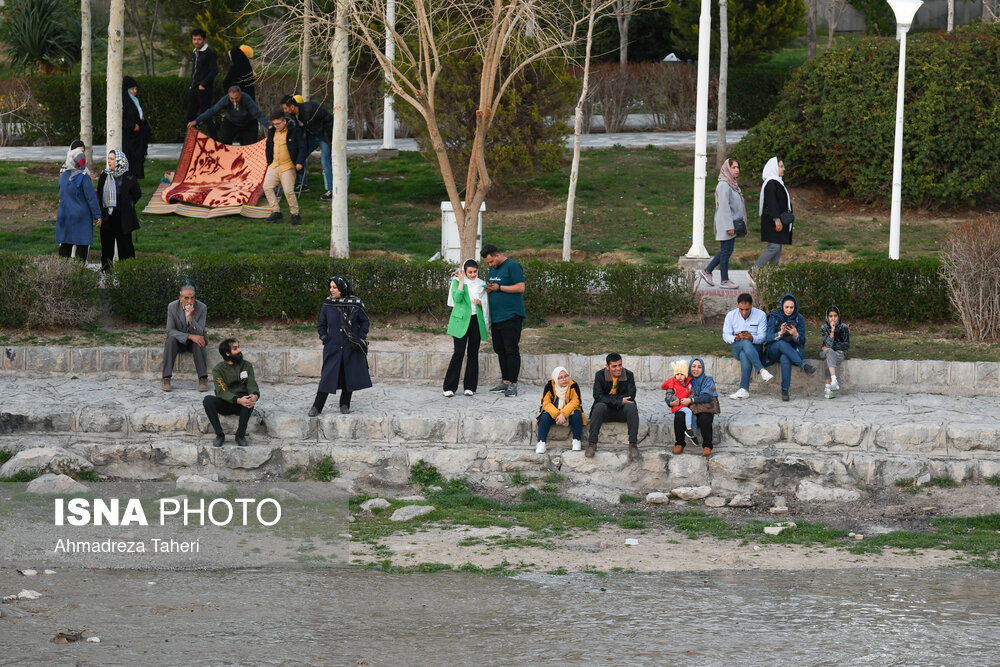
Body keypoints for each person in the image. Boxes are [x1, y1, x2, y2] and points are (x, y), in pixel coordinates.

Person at [309, 276, 372, 416]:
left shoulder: (356, 304)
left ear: (342, 288)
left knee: (348, 374)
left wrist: (360, 337)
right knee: (327, 376)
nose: (331, 290)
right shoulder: (328, 304)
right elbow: (321, 324)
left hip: (351, 347)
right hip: (333, 347)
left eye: (334, 287)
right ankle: (317, 407)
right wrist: (325, 338)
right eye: (330, 287)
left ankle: (345, 404)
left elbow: (365, 322)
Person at [481, 244, 525, 397]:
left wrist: (499, 288)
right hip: (497, 317)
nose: (490, 265)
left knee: (511, 349)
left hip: (512, 315)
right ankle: (505, 382)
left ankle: (513, 383)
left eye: (491, 261)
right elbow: (495, 286)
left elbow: (520, 287)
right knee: (499, 349)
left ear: (497, 255)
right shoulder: (493, 268)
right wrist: (489, 288)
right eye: (488, 263)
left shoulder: (513, 266)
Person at [443, 259, 489, 397]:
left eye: (475, 271)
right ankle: (449, 387)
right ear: (464, 271)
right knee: (458, 353)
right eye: (470, 272)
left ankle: (470, 387)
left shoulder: (481, 283)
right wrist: (462, 281)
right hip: (461, 321)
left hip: (476, 320)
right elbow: (456, 299)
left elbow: (485, 303)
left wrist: (481, 303)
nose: (473, 274)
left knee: (473, 353)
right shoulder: (456, 281)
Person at [203, 338, 258, 447]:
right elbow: (221, 391)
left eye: (238, 347)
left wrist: (255, 395)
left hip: (243, 404)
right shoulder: (218, 369)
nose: (239, 350)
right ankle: (220, 434)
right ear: (228, 353)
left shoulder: (247, 365)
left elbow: (251, 383)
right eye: (235, 349)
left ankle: (240, 435)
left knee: (249, 401)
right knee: (208, 400)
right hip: (226, 402)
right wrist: (237, 400)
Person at [700, 158, 745, 290]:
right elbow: (724, 207)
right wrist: (729, 227)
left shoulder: (732, 184)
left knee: (726, 251)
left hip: (730, 223)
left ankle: (707, 271)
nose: (736, 170)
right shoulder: (724, 185)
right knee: (726, 251)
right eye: (733, 167)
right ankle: (724, 280)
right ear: (727, 169)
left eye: (737, 167)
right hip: (726, 223)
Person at [587, 353, 639, 461]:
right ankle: (592, 444)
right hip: (605, 411)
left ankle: (633, 444)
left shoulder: (629, 375)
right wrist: (619, 401)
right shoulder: (600, 375)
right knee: (599, 406)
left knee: (631, 407)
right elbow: (597, 396)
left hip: (622, 411)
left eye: (620, 365)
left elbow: (631, 395)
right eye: (614, 366)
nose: (618, 368)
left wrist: (611, 400)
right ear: (607, 367)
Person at [280, 95, 333, 199]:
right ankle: (303, 185)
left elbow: (329, 119)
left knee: (325, 162)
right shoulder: (292, 116)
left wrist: (330, 138)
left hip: (323, 137)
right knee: (300, 156)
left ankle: (331, 191)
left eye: (286, 108)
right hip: (311, 137)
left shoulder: (310, 107)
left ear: (292, 106)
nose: (285, 111)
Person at [96, 149, 141, 272]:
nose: (109, 161)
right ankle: (106, 274)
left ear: (119, 161)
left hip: (123, 218)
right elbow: (99, 194)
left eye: (112, 159)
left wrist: (127, 205)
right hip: (107, 218)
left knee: (125, 248)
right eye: (108, 158)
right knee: (106, 249)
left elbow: (137, 194)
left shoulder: (128, 176)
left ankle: (127, 274)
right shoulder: (104, 175)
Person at [765, 293, 816, 401]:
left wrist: (795, 334)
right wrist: (780, 333)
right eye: (786, 307)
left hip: (792, 351)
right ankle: (803, 365)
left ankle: (785, 391)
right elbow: (768, 338)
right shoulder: (774, 317)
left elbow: (802, 341)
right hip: (774, 350)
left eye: (791, 307)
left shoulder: (799, 318)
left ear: (795, 307)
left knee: (785, 357)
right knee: (781, 344)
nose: (789, 310)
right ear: (781, 306)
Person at [56, 141, 101, 262]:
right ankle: (79, 274)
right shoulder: (83, 177)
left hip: (65, 215)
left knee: (65, 244)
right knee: (82, 245)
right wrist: (97, 215)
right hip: (81, 217)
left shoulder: (63, 175)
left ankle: (62, 273)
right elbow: (91, 198)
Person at [723, 292, 773, 399]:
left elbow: (762, 337)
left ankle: (744, 389)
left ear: (751, 305)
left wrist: (751, 338)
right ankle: (761, 370)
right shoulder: (731, 315)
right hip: (737, 346)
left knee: (745, 353)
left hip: (755, 348)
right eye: (741, 309)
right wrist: (735, 338)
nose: (744, 312)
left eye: (747, 309)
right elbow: (725, 335)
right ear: (738, 306)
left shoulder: (761, 315)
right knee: (744, 344)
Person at [162, 285, 209, 393]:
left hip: (195, 340)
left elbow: (200, 331)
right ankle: (166, 378)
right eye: (186, 298)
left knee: (200, 340)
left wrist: (191, 318)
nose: (190, 301)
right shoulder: (172, 307)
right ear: (180, 298)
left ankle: (203, 378)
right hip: (179, 341)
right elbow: (170, 330)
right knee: (170, 340)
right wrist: (189, 336)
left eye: (192, 297)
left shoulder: (202, 307)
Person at [262, 109, 306, 224]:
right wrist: (269, 161)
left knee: (288, 191)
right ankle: (276, 212)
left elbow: (302, 147)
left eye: (277, 124)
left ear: (284, 122)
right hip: (275, 165)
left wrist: (299, 162)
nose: (275, 126)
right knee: (267, 187)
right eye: (274, 124)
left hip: (288, 166)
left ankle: (295, 215)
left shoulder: (295, 130)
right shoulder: (272, 131)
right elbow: (268, 147)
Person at [752, 156, 793, 276]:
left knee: (777, 248)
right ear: (773, 168)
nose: (783, 169)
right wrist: (776, 220)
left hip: (778, 221)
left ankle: (772, 275)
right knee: (774, 247)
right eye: (781, 166)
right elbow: (771, 203)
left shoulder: (778, 182)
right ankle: (754, 270)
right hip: (773, 221)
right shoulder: (771, 183)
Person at [188, 86, 267, 146]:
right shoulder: (225, 99)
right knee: (225, 144)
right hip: (231, 123)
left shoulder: (247, 99)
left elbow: (258, 114)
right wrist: (197, 120)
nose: (234, 100)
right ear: (229, 96)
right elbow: (212, 111)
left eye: (236, 98)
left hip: (248, 124)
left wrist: (269, 126)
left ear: (240, 94)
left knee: (249, 146)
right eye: (232, 98)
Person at [672, 357, 718, 458]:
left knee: (705, 418)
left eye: (699, 367)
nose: (696, 369)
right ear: (689, 368)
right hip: (688, 409)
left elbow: (707, 396)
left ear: (703, 369)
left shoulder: (708, 380)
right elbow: (673, 391)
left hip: (704, 409)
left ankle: (707, 445)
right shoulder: (684, 380)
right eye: (693, 366)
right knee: (679, 415)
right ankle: (679, 443)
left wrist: (692, 400)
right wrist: (671, 402)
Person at [535, 366, 586, 454]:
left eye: (566, 376)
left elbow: (575, 401)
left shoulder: (573, 385)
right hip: (554, 412)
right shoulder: (549, 386)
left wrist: (563, 414)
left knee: (577, 415)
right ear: (555, 378)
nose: (564, 379)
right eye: (560, 378)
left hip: (569, 412)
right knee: (544, 417)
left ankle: (576, 440)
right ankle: (541, 443)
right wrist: (558, 414)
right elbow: (546, 403)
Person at [186, 28, 219, 136]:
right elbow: (194, 71)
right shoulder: (195, 53)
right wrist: (191, 85)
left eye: (199, 39)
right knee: (190, 115)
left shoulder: (209, 53)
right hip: (194, 89)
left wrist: (203, 84)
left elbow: (214, 71)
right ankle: (192, 140)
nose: (196, 41)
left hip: (204, 90)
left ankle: (215, 140)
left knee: (206, 116)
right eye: (194, 39)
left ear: (203, 40)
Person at [661, 360, 697, 448]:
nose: (679, 377)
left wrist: (689, 399)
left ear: (685, 375)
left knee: (692, 414)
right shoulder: (673, 384)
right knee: (688, 412)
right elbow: (668, 394)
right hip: (678, 405)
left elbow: (693, 393)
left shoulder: (688, 384)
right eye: (677, 374)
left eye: (682, 374)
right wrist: (674, 399)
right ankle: (688, 429)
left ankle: (693, 434)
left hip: (686, 403)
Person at [121, 76, 151, 179]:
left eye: (135, 89)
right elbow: (121, 118)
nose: (135, 91)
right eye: (132, 89)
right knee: (131, 156)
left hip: (137, 136)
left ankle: (136, 176)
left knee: (138, 156)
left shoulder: (134, 100)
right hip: (129, 136)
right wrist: (132, 125)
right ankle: (130, 176)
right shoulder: (123, 101)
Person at [820, 305, 850, 399]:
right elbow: (828, 344)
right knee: (829, 352)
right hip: (825, 352)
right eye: (831, 316)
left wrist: (831, 348)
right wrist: (832, 331)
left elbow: (846, 345)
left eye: (835, 316)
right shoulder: (824, 328)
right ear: (827, 317)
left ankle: (828, 389)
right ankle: (834, 380)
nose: (833, 318)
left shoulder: (843, 327)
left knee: (828, 358)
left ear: (838, 316)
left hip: (839, 353)